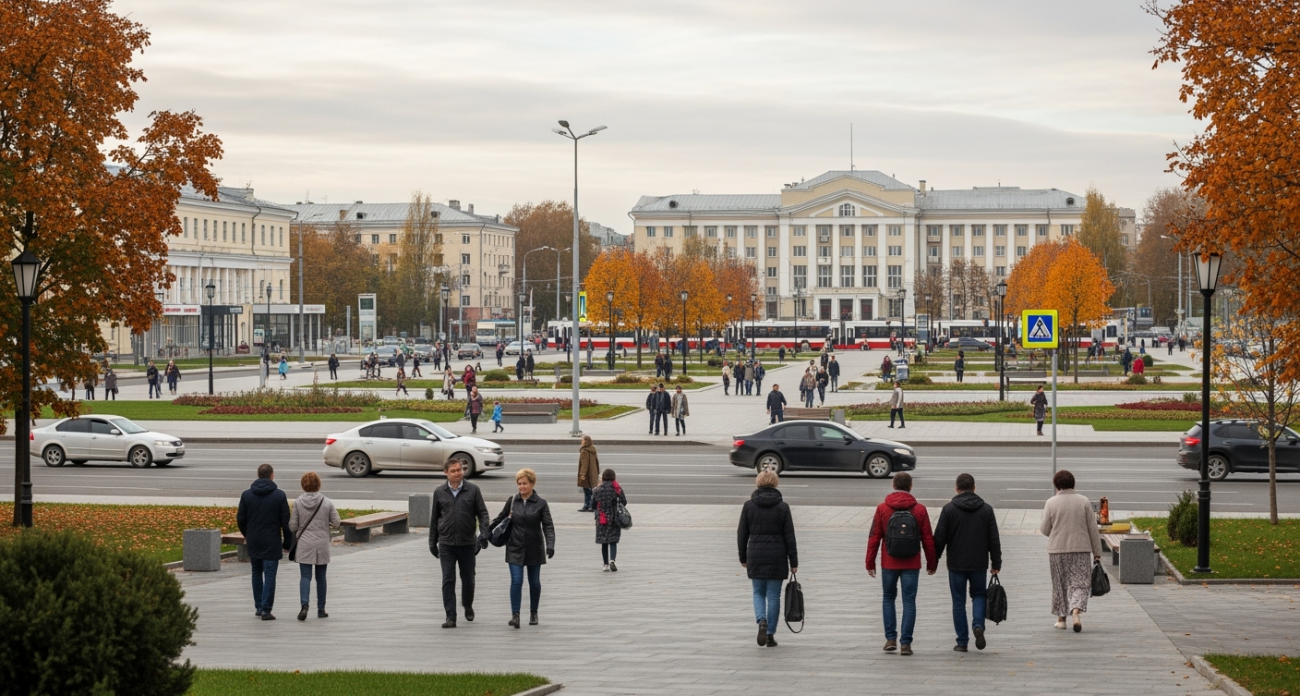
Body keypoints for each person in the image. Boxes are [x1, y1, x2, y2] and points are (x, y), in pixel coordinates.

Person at [866, 472, 937, 655]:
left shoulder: (883, 508)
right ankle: (906, 643)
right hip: (912, 562)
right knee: (909, 600)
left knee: (888, 598)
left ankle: (890, 638)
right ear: (911, 486)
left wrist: (870, 562)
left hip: (889, 562)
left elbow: (874, 536)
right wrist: (932, 562)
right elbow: (927, 538)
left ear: (893, 485)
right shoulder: (920, 509)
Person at [933, 473, 1002, 652]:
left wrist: (933, 560)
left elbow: (940, 538)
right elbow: (993, 538)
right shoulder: (986, 509)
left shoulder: (949, 509)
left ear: (957, 489)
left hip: (956, 563)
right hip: (979, 563)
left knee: (958, 601)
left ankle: (962, 642)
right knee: (979, 595)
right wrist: (996, 562)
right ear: (974, 488)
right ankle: (978, 625)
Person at [738, 470, 797, 648]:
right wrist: (793, 562)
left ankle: (761, 620)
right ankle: (770, 633)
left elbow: (742, 534)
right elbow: (790, 536)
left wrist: (743, 556)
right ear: (775, 483)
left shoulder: (749, 505)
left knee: (758, 592)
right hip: (777, 555)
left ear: (758, 482)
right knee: (773, 596)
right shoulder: (783, 507)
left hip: (755, 553)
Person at [429, 458, 490, 629]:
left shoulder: (473, 490)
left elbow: (483, 514)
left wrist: (483, 536)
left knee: (468, 579)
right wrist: (432, 542)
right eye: (453, 470)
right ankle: (450, 616)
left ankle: (468, 604)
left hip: (468, 543)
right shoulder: (439, 492)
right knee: (448, 579)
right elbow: (434, 519)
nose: (458, 473)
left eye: (460, 470)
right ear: (446, 473)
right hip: (447, 543)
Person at [490, 469, 555, 628]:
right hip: (515, 546)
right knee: (516, 581)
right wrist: (486, 533)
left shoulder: (541, 503)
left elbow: (548, 526)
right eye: (519, 483)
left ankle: (533, 612)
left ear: (532, 483)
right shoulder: (512, 501)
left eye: (524, 483)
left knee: (534, 583)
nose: (521, 486)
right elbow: (500, 518)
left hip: (534, 547)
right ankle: (515, 615)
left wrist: (550, 544)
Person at [1040, 470, 1102, 632]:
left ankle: (1061, 619)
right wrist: (1097, 552)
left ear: (1057, 485)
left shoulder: (1051, 502)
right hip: (1081, 549)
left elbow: (1044, 529)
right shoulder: (1083, 501)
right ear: (1073, 484)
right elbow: (1092, 529)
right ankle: (1075, 610)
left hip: (1057, 550)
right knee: (1081, 583)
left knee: (1060, 584)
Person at [237, 463, 294, 621]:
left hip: (254, 539)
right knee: (270, 574)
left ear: (258, 475)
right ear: (272, 476)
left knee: (256, 572)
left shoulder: (247, 495)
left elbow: (241, 519)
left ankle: (259, 606)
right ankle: (266, 610)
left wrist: (247, 534)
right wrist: (287, 543)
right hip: (271, 540)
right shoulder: (279, 495)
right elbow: (285, 522)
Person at [290, 471, 340, 621]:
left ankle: (304, 605)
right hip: (322, 544)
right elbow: (337, 522)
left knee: (305, 576)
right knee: (321, 577)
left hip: (305, 543)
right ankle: (321, 609)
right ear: (318, 484)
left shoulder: (298, 502)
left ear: (303, 485)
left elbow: (293, 526)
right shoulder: (327, 502)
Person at [592, 468, 626, 571]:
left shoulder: (597, 490)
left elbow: (592, 505)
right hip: (613, 517)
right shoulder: (617, 489)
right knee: (613, 541)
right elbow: (624, 501)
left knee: (604, 542)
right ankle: (612, 560)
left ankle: (605, 564)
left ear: (603, 478)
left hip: (601, 518)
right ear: (613, 478)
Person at [577, 435, 599, 512]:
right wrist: (597, 472)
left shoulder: (584, 451)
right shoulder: (592, 449)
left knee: (587, 490)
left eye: (582, 440)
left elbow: (584, 463)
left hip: (587, 473)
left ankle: (587, 506)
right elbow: (596, 461)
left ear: (586, 441)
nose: (581, 441)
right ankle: (591, 506)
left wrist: (582, 474)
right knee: (591, 489)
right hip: (593, 472)